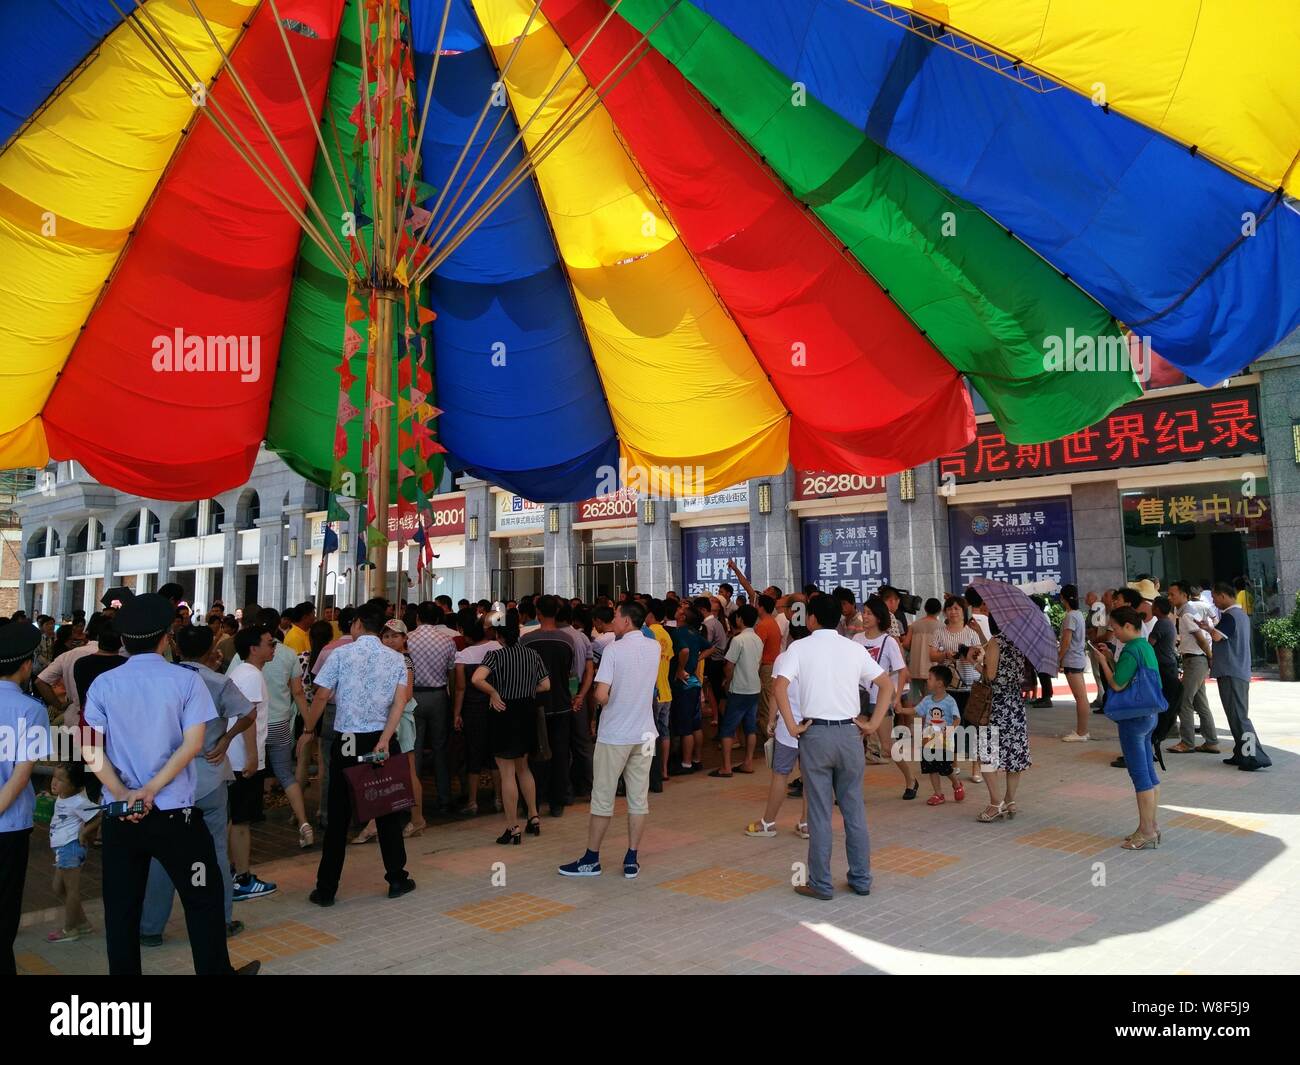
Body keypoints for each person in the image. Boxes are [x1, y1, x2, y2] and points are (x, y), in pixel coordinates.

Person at [82, 593, 258, 975]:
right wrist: (152, 789)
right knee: (203, 897)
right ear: (167, 638)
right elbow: (193, 745)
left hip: (120, 816)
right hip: (176, 814)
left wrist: (123, 793)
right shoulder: (185, 681)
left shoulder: (102, 685)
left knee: (122, 909)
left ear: (124, 638)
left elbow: (90, 750)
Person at [139, 623, 255, 946]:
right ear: (211, 651)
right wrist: (227, 738)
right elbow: (248, 712)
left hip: (166, 780)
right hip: (209, 775)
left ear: (175, 648)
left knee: (163, 854)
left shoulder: (162, 678)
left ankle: (150, 927)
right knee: (215, 850)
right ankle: (221, 920)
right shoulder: (218, 682)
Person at [774, 593, 890, 900]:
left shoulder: (799, 647)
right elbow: (887, 684)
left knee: (820, 814)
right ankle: (861, 879)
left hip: (815, 735)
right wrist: (874, 723)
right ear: (838, 617)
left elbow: (779, 685)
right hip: (850, 734)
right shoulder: (853, 648)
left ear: (811, 618)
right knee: (854, 811)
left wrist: (791, 725)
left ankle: (821, 883)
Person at [299, 602, 414, 905]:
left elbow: (322, 695)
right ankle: (397, 879)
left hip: (347, 741)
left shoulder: (340, 654)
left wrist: (308, 730)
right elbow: (399, 703)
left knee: (339, 815)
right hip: (380, 741)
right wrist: (385, 740)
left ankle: (326, 889)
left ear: (359, 624)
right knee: (387, 809)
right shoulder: (396, 659)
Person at [558, 601, 661, 879]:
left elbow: (601, 694)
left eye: (616, 616)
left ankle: (591, 859)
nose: (612, 620)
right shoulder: (654, 647)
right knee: (638, 798)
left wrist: (602, 698)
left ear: (627, 621)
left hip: (616, 734)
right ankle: (631, 859)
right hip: (646, 733)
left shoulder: (614, 650)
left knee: (603, 797)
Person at [472, 611, 550, 845]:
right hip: (526, 712)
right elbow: (545, 684)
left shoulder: (495, 655)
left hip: (503, 712)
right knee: (523, 768)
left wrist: (494, 693)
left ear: (498, 636)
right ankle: (534, 816)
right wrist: (527, 691)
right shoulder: (532, 654)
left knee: (507, 773)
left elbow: (477, 679)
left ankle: (512, 826)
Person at [1094, 606, 1164, 849]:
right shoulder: (1144, 646)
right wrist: (1113, 658)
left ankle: (1146, 831)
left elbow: (1117, 684)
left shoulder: (1131, 650)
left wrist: (1103, 662)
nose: (1114, 634)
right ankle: (1151, 825)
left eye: (1114, 629)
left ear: (1127, 626)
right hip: (1149, 714)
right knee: (1149, 772)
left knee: (1140, 775)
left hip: (1133, 719)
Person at [226, 626, 278, 900]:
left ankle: (235, 873)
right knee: (242, 820)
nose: (274, 647)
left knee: (237, 818)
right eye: (270, 642)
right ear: (253, 648)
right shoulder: (250, 675)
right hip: (242, 759)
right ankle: (242, 878)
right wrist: (252, 757)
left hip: (238, 757)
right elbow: (248, 719)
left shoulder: (244, 673)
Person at [0, 620, 40, 975]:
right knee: (5, 910)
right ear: (26, 665)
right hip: (10, 827)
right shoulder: (31, 710)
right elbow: (21, 774)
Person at [745, 625, 810, 840]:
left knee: (781, 774)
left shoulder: (784, 658)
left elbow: (775, 693)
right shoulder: (819, 657)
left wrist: (771, 720)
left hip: (787, 728)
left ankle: (768, 823)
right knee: (811, 777)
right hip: (814, 726)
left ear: (789, 636)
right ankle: (806, 823)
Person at [1204, 582, 1271, 772]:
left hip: (1232, 672)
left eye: (1215, 597)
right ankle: (1241, 752)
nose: (1214, 602)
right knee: (1235, 715)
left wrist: (1208, 628)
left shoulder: (1230, 616)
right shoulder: (1240, 615)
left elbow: (1217, 637)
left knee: (1239, 716)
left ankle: (1253, 756)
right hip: (1236, 671)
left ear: (1224, 596)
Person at [521, 595, 579, 817]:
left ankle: (531, 801)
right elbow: (571, 674)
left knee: (535, 754)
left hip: (536, 705)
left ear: (538, 613)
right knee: (561, 753)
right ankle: (557, 802)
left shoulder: (527, 640)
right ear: (556, 612)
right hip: (562, 703)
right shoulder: (568, 640)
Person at [973, 616, 1032, 824]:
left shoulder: (996, 643)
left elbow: (990, 676)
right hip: (1015, 704)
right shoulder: (1020, 642)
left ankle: (995, 803)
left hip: (996, 705)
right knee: (1014, 754)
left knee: (986, 752)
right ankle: (1010, 800)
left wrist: (976, 663)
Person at [854, 596, 915, 798]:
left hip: (880, 698)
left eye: (869, 613)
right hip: (859, 699)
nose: (865, 616)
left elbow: (902, 671)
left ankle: (911, 780)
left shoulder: (889, 642)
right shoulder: (856, 640)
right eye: (864, 612)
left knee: (887, 748)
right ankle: (851, 790)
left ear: (880, 617)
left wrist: (896, 698)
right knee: (854, 745)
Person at [407, 602, 458, 816]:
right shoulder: (447, 641)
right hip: (438, 696)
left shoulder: (407, 638)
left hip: (413, 696)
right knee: (440, 749)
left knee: (413, 749)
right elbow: (452, 675)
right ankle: (444, 798)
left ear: (417, 617)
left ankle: (413, 803)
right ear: (438, 619)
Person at [45, 761, 101, 942]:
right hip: (62, 849)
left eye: (60, 780)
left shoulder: (79, 801)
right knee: (59, 888)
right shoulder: (64, 796)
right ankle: (83, 923)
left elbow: (99, 815)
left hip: (71, 847)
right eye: (54, 777)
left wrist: (84, 832)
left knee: (71, 890)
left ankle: (70, 929)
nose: (54, 782)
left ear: (74, 785)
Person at [453, 613, 502, 816]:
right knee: (496, 754)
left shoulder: (464, 655)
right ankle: (499, 798)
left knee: (473, 752)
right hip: (497, 706)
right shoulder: (499, 648)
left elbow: (460, 688)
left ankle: (473, 801)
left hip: (473, 709)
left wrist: (456, 713)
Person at [1166, 581, 1219, 754]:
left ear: (1184, 595)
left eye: (1173, 594)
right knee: (1200, 702)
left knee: (1184, 701)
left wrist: (1210, 657)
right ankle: (1211, 741)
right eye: (1169, 594)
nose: (1170, 597)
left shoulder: (1188, 614)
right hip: (1195, 659)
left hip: (1196, 660)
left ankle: (1187, 742)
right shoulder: (1183, 612)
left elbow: (1200, 638)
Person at [715, 604, 763, 777]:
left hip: (739, 688)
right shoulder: (757, 639)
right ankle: (748, 762)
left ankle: (726, 767)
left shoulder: (738, 640)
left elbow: (729, 665)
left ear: (740, 619)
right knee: (750, 727)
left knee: (728, 728)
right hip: (754, 687)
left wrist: (727, 682)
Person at [910, 665, 964, 806]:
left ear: (939, 683)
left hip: (943, 742)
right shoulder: (927, 700)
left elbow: (957, 718)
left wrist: (950, 730)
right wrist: (900, 709)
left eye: (930, 678)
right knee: (931, 768)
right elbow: (916, 711)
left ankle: (956, 784)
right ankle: (938, 794)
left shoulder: (950, 701)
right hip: (928, 740)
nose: (927, 681)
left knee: (945, 768)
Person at [669, 605, 709, 773]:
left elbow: (684, 650)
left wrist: (680, 669)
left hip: (683, 684)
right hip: (694, 682)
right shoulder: (695, 633)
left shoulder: (679, 633)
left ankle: (686, 764)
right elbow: (711, 646)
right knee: (695, 725)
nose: (677, 610)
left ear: (683, 617)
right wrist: (697, 659)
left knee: (685, 728)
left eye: (680, 610)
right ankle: (696, 759)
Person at [1057, 585, 1091, 741]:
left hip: (1072, 659)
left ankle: (1082, 732)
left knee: (1081, 698)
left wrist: (1058, 658)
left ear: (1063, 598)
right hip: (1078, 658)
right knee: (1082, 697)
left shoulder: (1071, 616)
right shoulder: (1078, 614)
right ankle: (1082, 731)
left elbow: (1066, 641)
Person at [901, 598, 942, 703]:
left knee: (916, 702)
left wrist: (915, 647)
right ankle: (929, 720)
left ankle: (917, 720)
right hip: (933, 670)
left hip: (915, 668)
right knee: (932, 701)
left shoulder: (915, 625)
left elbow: (905, 644)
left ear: (925, 608)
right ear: (940, 610)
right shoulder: (942, 627)